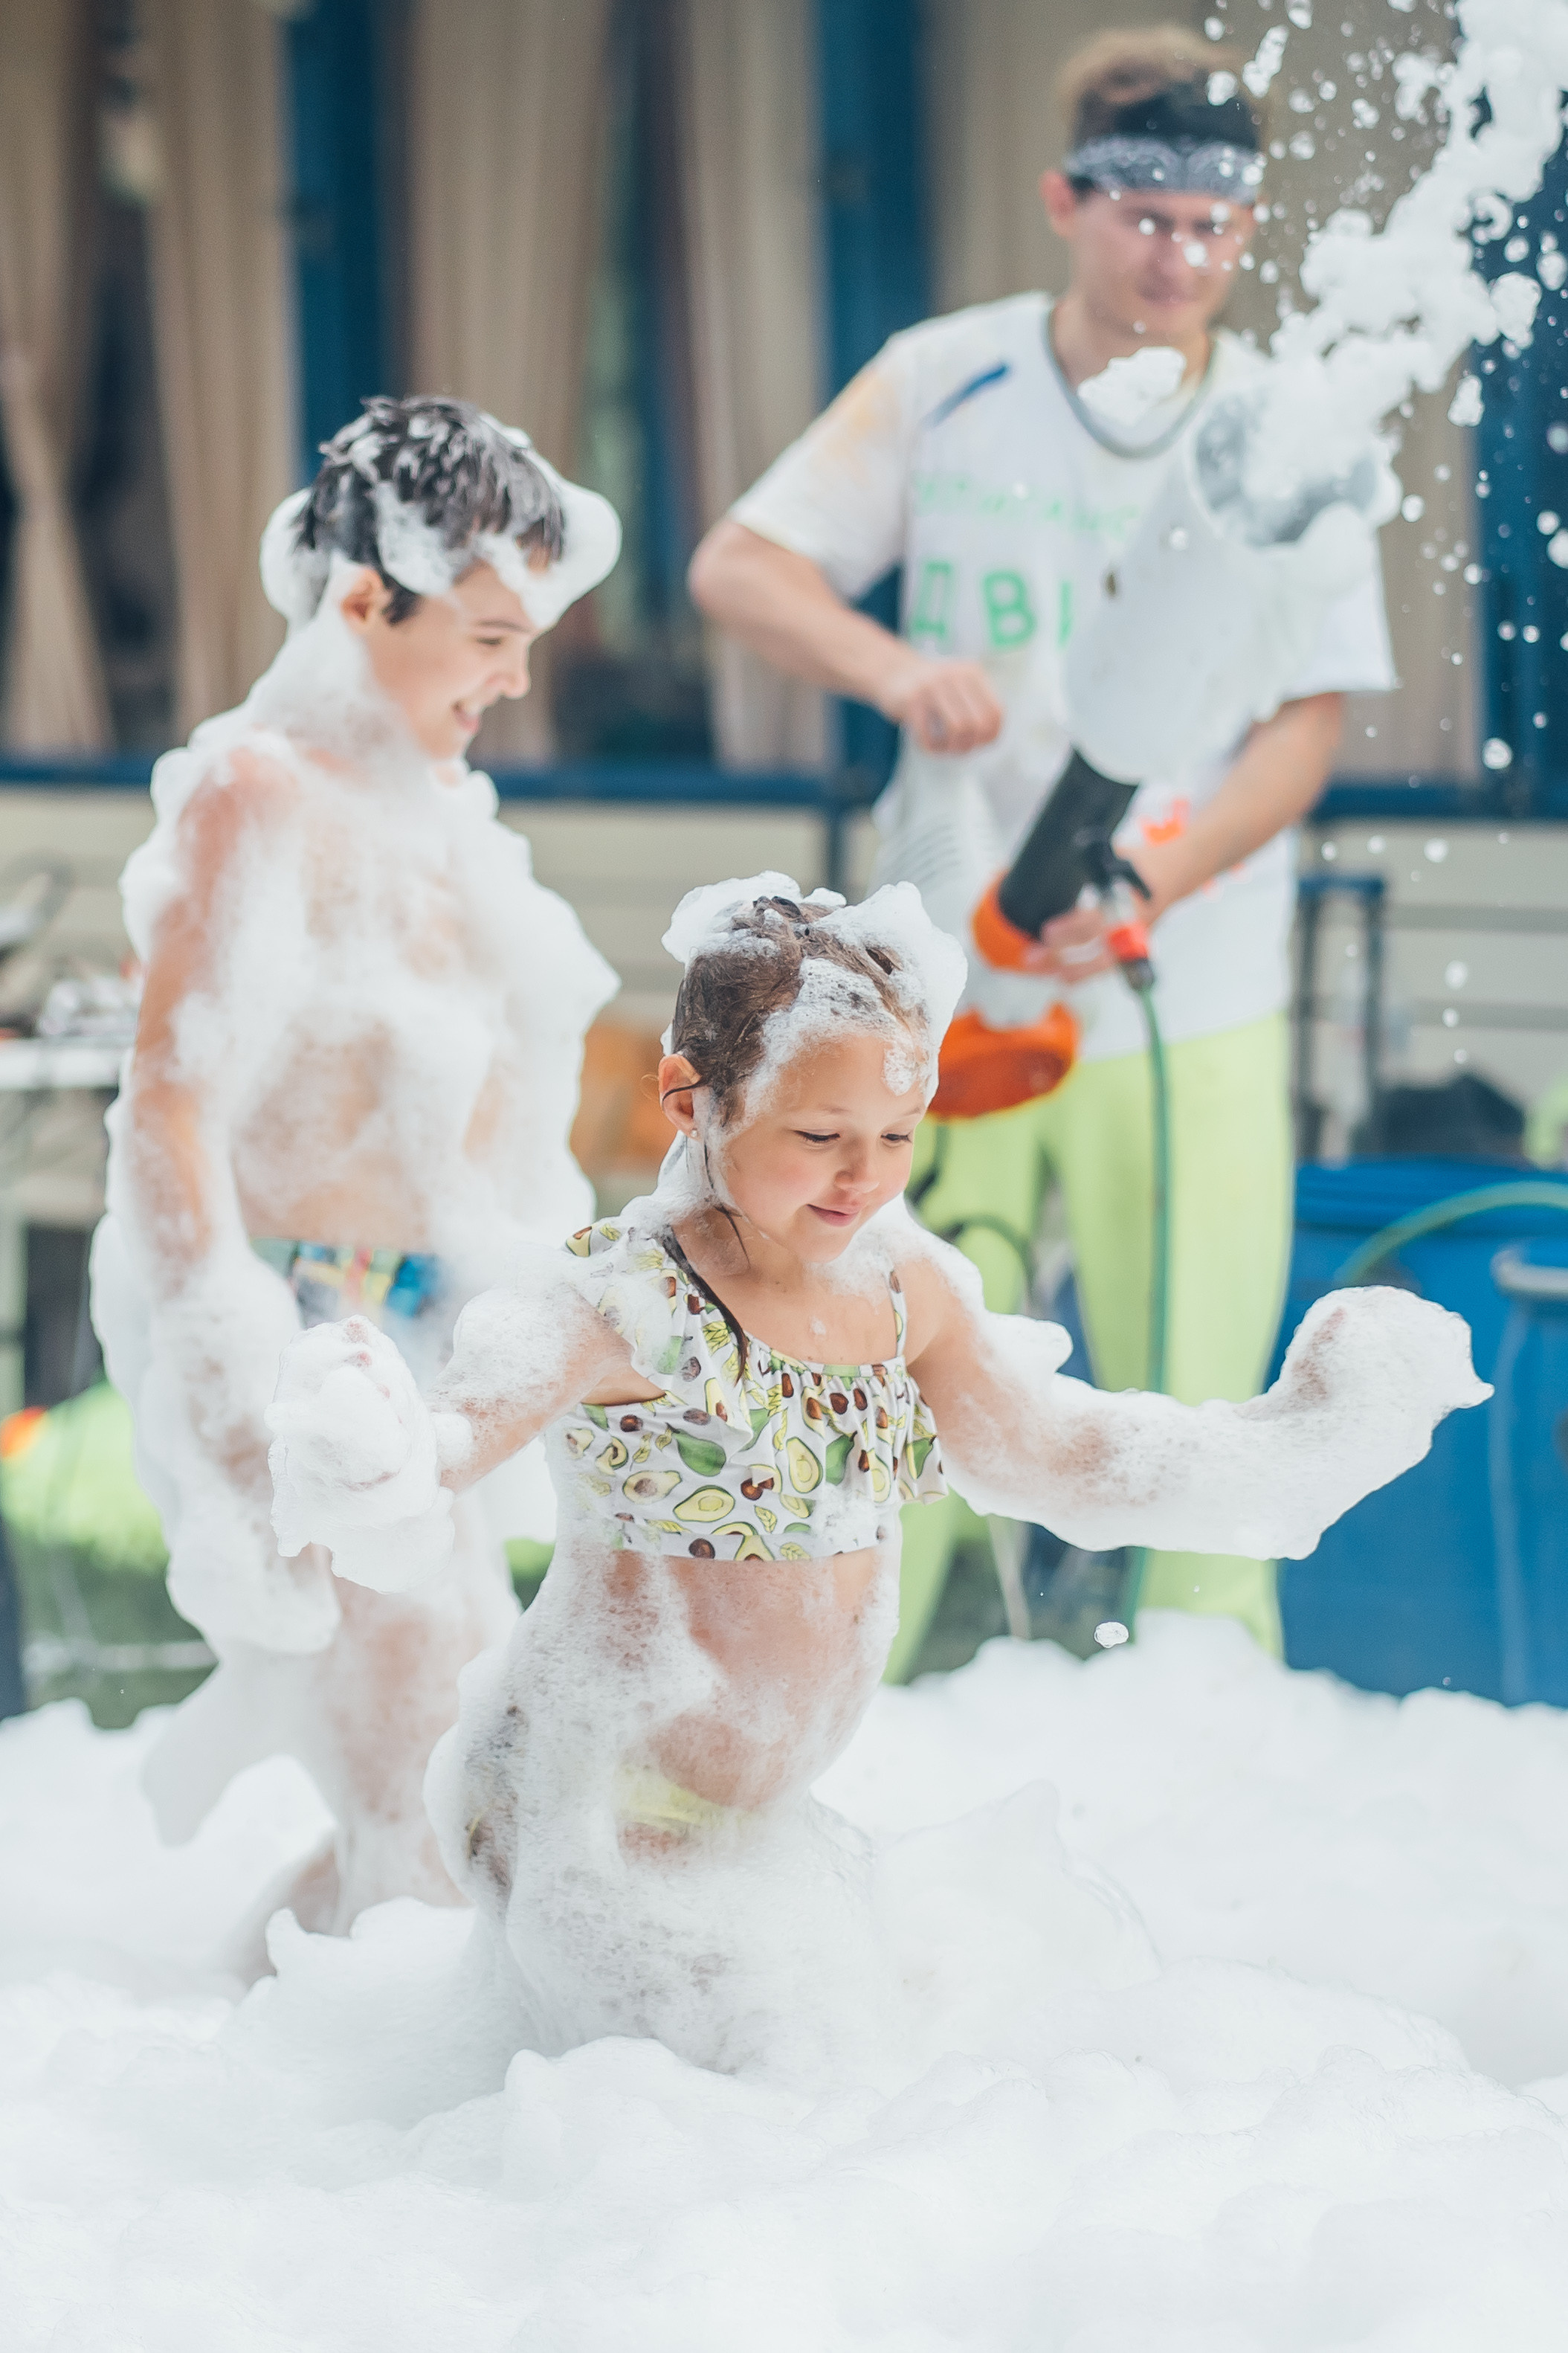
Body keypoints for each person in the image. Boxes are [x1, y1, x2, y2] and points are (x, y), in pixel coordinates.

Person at [268, 877, 1484, 2068]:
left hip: (749, 1841)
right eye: (817, 1137)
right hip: (592, 1817)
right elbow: (458, 1433)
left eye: (897, 1136)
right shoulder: (626, 1303)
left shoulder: (902, 1291)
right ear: (690, 1101)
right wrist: (377, 1456)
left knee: (978, 2020)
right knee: (783, 2096)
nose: (862, 1176)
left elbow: (1065, 1457)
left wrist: (1290, 1454)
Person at [687, 26, 1397, 1675]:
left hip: (1183, 973)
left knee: (1202, 1393)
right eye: (1147, 218)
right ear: (1064, 203)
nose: (1183, 256)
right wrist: (885, 666)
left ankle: (1202, 1719)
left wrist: (1163, 865)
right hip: (926, 986)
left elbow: (1306, 720)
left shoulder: (1293, 423)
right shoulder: (947, 374)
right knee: (886, 1352)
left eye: (1217, 227)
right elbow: (740, 566)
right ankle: (854, 1690)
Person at [91, 397, 622, 1943]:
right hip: (308, 1354)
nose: (516, 676)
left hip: (410, 1346)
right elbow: (167, 1107)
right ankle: (365, 2118)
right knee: (433, 1776)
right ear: (360, 600)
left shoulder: (436, 803)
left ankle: (305, 2071)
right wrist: (227, 1383)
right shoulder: (261, 790)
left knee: (450, 1773)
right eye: (484, 634)